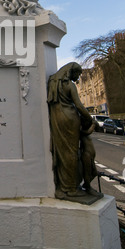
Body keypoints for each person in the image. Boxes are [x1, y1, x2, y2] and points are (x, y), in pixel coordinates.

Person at [47, 62, 101, 200]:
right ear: (72, 71)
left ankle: (66, 185)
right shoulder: (69, 85)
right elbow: (79, 105)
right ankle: (71, 188)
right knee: (71, 153)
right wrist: (90, 119)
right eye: (77, 74)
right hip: (70, 119)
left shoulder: (53, 82)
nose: (77, 78)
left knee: (63, 152)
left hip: (57, 118)